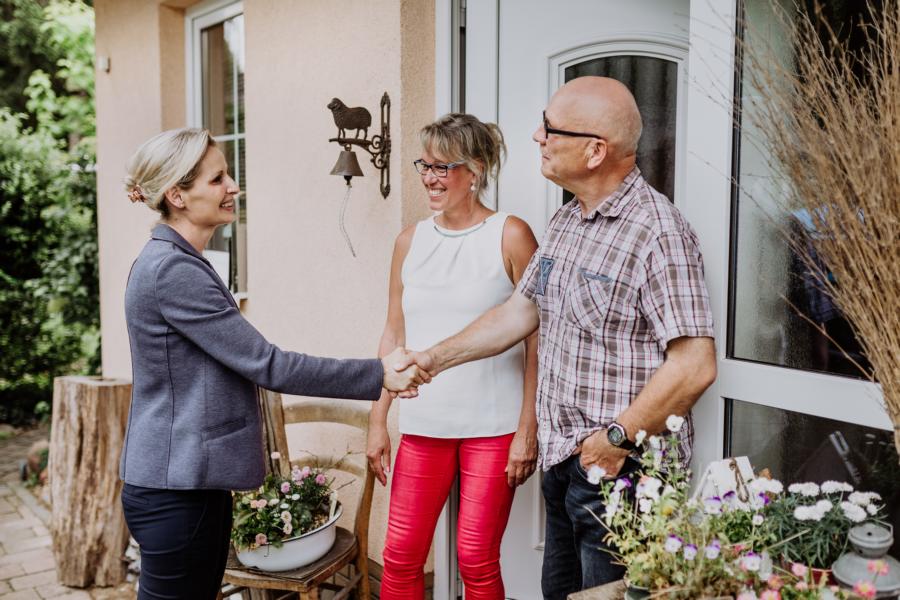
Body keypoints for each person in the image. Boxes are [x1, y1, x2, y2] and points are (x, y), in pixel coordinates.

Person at [396, 77, 717, 599]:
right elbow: (518, 312)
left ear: (595, 150)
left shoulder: (659, 232)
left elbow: (695, 364)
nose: (537, 136)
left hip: (623, 475)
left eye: (550, 128)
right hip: (567, 459)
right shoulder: (568, 219)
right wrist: (431, 358)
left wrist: (616, 439)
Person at [119, 128, 427, 600]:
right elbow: (269, 364)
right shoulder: (173, 269)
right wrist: (378, 372)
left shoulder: (180, 260)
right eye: (218, 178)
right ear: (177, 195)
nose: (233, 187)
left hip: (187, 483)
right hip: (177, 488)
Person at [366, 113, 539, 599]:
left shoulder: (511, 234)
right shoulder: (410, 240)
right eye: (426, 164)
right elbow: (393, 332)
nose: (430, 177)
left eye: (444, 166)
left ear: (476, 170)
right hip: (424, 425)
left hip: (493, 426)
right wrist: (379, 418)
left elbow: (536, 337)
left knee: (475, 560)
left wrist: (529, 426)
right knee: (399, 556)